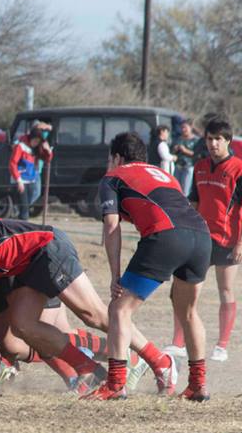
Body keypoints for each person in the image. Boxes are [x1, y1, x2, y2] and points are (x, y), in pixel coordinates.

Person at [0, 217, 177, 395]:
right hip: (23, 265)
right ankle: (87, 369)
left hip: (47, 247)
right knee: (24, 326)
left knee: (94, 315)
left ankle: (158, 360)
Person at [85, 132, 210, 401]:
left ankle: (115, 384)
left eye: (110, 158)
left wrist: (115, 275)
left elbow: (111, 225)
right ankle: (198, 385)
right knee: (188, 312)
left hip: (167, 236)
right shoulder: (164, 174)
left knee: (119, 309)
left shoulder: (113, 177)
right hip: (201, 235)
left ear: (117, 157)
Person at [170, 120, 242, 363]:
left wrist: (240, 244)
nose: (212, 144)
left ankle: (222, 345)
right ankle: (178, 342)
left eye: (218, 139)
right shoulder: (200, 166)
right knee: (185, 291)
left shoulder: (238, 169)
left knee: (226, 291)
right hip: (200, 239)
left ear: (227, 141)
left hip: (227, 240)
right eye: (209, 139)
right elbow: (193, 203)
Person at [9, 126, 53, 220]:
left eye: (38, 142)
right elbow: (13, 163)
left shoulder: (36, 149)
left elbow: (47, 159)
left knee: (26, 206)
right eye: (35, 140)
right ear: (31, 137)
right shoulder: (20, 146)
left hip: (31, 180)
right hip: (21, 181)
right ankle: (23, 226)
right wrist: (18, 180)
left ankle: (18, 217)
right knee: (24, 210)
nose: (36, 143)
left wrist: (48, 150)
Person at [171, 116, 199, 196]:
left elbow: (196, 154)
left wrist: (185, 150)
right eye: (182, 128)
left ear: (190, 128)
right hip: (178, 166)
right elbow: (172, 152)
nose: (183, 130)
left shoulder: (195, 140)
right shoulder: (179, 139)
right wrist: (175, 149)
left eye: (185, 127)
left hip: (188, 167)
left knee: (185, 190)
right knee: (176, 188)